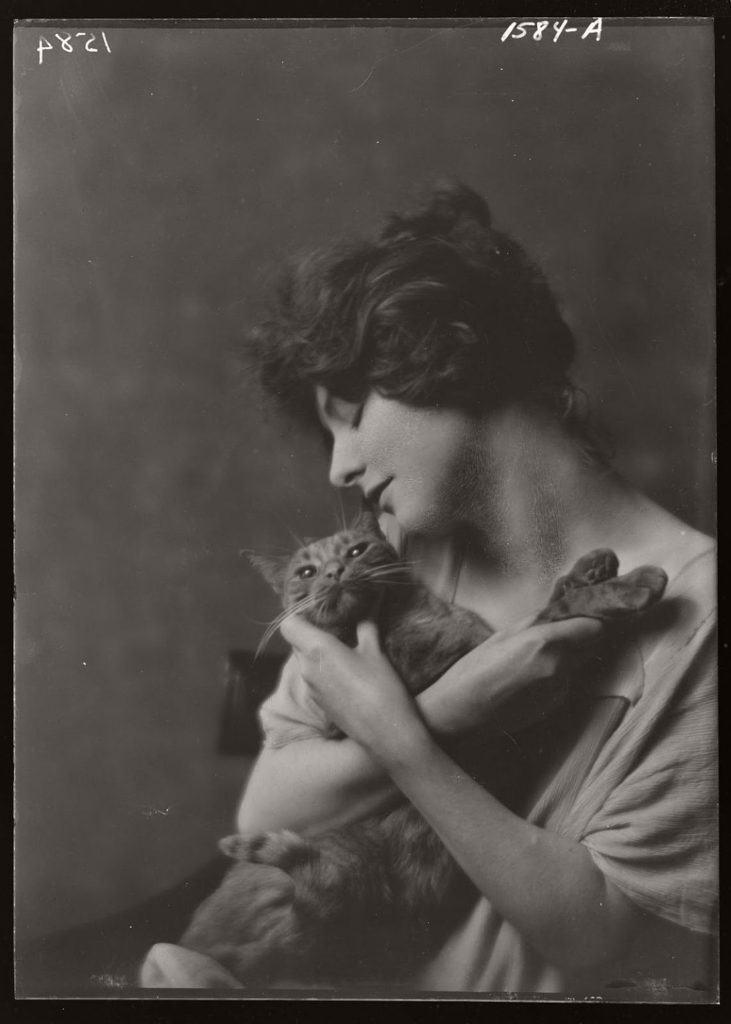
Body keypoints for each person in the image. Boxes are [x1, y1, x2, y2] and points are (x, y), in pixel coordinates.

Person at [236, 182, 717, 996]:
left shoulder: (702, 613)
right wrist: (451, 709)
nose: (337, 467)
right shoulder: (395, 562)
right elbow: (262, 817)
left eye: (348, 413)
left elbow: (594, 934)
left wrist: (405, 744)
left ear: (442, 350)